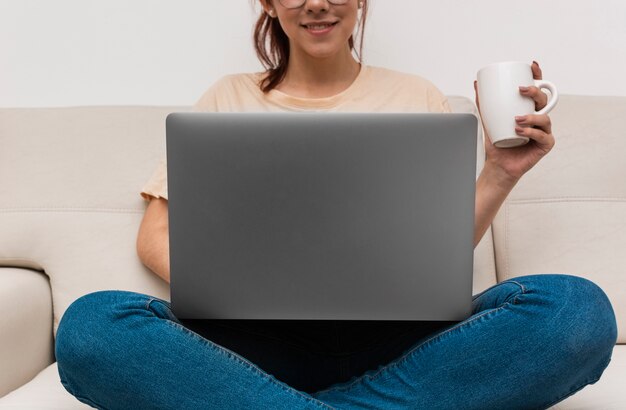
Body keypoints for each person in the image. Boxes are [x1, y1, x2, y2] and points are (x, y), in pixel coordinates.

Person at [55, 0, 618, 409]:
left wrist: (499, 171)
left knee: (575, 310)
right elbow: (156, 236)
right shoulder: (228, 97)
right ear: (270, 5)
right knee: (91, 326)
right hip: (252, 344)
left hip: (400, 340)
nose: (318, 4)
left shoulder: (415, 95)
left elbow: (438, 253)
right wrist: (240, 291)